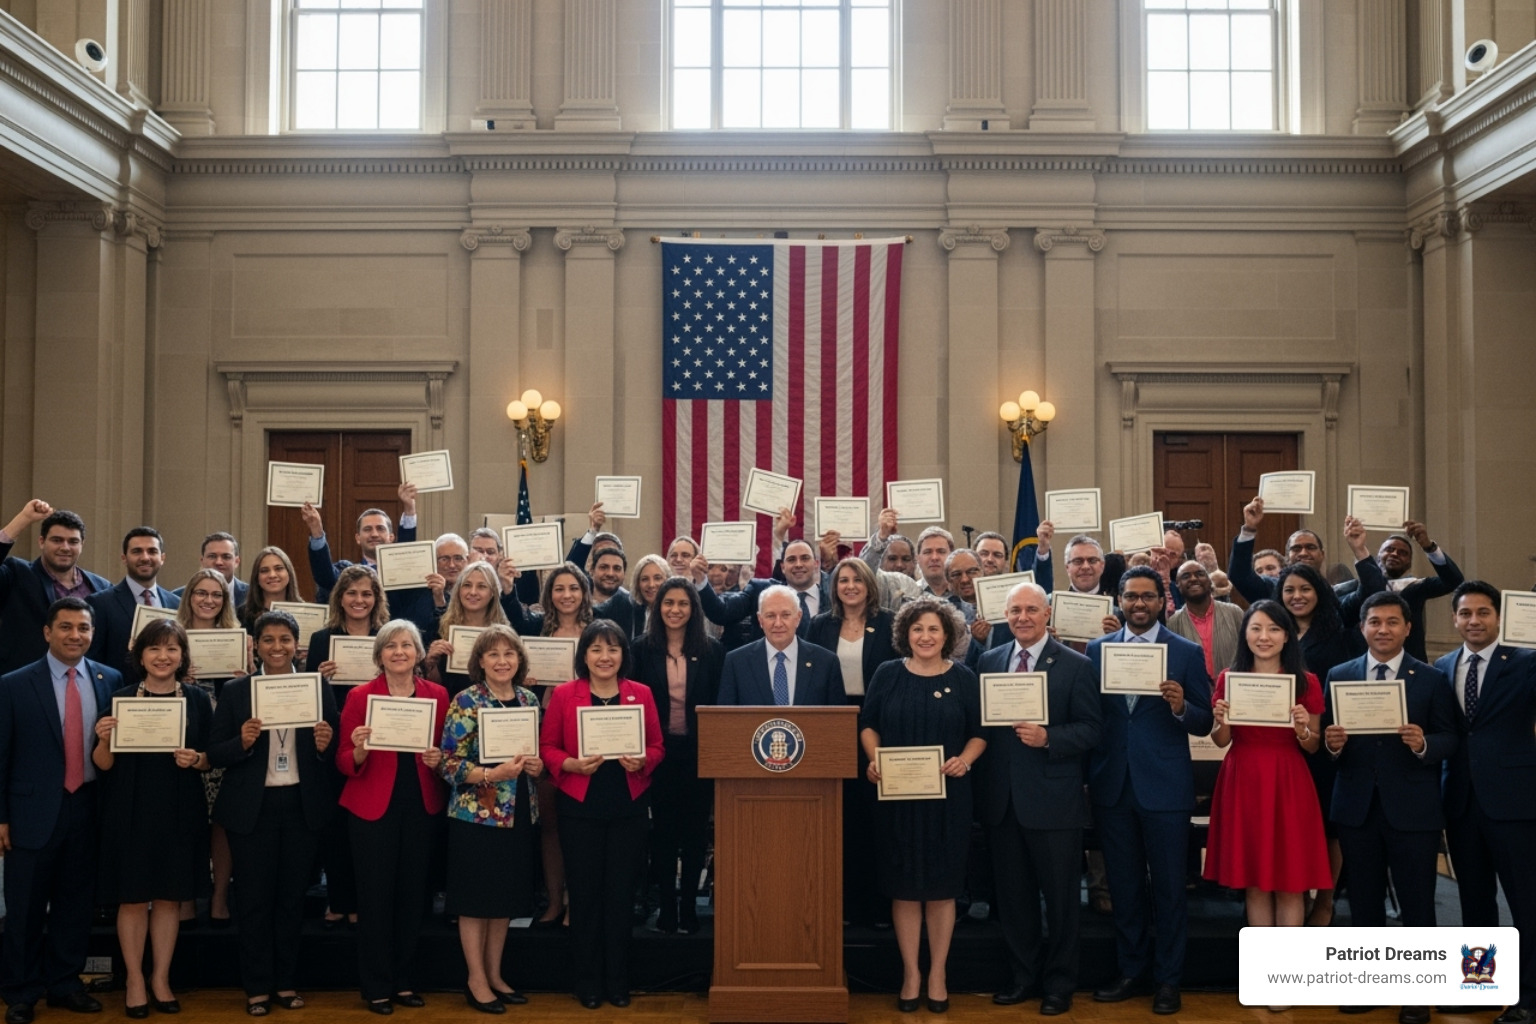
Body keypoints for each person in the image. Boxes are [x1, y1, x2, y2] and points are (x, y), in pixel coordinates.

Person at [1323, 592, 1456, 1024]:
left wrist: (1424, 744)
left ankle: (1416, 995)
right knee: (1364, 902)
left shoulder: (1430, 678)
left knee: (1418, 903)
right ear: (1362, 627)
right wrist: (1332, 745)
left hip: (1412, 809)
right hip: (1357, 807)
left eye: (1392, 622)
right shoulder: (1339, 674)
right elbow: (1328, 739)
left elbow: (1451, 737)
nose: (1383, 629)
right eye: (1374, 621)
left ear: (1407, 628)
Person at [1086, 567, 1213, 1016]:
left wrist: (1181, 706)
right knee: (1123, 888)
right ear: (1119, 600)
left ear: (1163, 601)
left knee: (1169, 890)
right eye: (1130, 596)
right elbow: (1093, 719)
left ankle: (1168, 980)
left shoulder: (1185, 652)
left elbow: (1205, 720)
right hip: (1113, 785)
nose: (1138, 604)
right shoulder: (1096, 650)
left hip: (1165, 788)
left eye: (1147, 597)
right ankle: (1130, 971)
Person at [975, 582, 1101, 1016]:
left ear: (1047, 614)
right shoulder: (988, 660)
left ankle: (1060, 984)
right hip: (1002, 801)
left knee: (1062, 901)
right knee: (1014, 899)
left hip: (1053, 801)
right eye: (1015, 611)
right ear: (1004, 616)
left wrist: (1049, 737)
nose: (1023, 617)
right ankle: (1023, 978)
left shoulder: (1076, 665)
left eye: (1031, 609)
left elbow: (1091, 729)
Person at [209, 609, 339, 1017]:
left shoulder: (317, 686)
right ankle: (257, 987)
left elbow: (334, 753)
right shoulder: (236, 691)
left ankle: (285, 981)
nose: (277, 647)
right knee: (254, 900)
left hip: (302, 805)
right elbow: (215, 753)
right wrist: (243, 742)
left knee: (290, 901)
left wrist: (323, 744)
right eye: (269, 639)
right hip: (254, 809)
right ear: (255, 645)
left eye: (285, 639)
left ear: (296, 646)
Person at [859, 598, 986, 1014]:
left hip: (948, 798)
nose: (925, 637)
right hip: (897, 799)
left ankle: (938, 974)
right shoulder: (887, 674)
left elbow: (979, 732)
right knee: (904, 888)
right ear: (905, 635)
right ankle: (911, 972)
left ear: (947, 634)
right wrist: (875, 759)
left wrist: (965, 760)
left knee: (942, 888)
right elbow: (868, 725)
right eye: (917, 630)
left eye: (933, 630)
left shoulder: (964, 677)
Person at [0, 597, 120, 1023]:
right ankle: (21, 990)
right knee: (26, 909)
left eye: (83, 628)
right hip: (30, 814)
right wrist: (1, 817)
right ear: (47, 632)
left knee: (75, 904)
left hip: (87, 807)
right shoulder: (13, 684)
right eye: (66, 628)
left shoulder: (111, 679)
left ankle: (65, 983)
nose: (76, 636)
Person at [539, 620, 664, 1009]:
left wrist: (643, 760)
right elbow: (547, 746)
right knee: (586, 897)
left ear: (624, 654)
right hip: (580, 809)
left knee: (621, 897)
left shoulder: (640, 694)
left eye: (612, 649)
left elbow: (658, 745)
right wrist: (571, 765)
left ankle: (618, 980)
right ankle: (587, 981)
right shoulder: (564, 695)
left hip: (627, 808)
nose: (604, 657)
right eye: (596, 649)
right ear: (584, 656)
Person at [92, 619, 213, 1018]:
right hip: (129, 810)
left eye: (172, 649)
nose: (163, 657)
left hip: (180, 809)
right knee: (132, 899)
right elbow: (103, 764)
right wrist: (105, 738)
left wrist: (196, 759)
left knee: (167, 898)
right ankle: (134, 979)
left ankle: (160, 978)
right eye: (155, 649)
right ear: (140, 656)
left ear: (182, 656)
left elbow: (210, 757)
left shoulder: (196, 700)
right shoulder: (120, 697)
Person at [335, 620, 449, 1015]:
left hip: (421, 806)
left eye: (407, 645)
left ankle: (403, 982)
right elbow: (343, 762)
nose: (399, 652)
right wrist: (360, 751)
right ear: (379, 654)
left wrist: (439, 762)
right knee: (375, 898)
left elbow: (446, 756)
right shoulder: (359, 697)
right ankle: (376, 986)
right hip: (371, 809)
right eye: (391, 646)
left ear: (419, 654)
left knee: (412, 898)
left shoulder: (438, 695)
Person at [1436, 581, 1536, 1024]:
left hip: (1514, 801)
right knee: (1475, 901)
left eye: (1482, 613)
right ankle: (1479, 986)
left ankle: (1530, 997)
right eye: (1465, 613)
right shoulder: (1441, 666)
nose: (1473, 621)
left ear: (1498, 618)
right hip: (1460, 800)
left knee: (1526, 902)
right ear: (1454, 619)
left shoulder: (1527, 662)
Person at [1201, 600, 1330, 932]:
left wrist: (1302, 726)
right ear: (1245, 634)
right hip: (1243, 777)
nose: (1264, 636)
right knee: (1254, 882)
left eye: (1273, 629)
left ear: (1287, 636)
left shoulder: (1306, 681)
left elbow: (1313, 745)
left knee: (1291, 883)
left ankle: (1286, 973)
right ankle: (1264, 970)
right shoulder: (1230, 678)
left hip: (1288, 780)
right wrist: (1220, 721)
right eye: (1256, 628)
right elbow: (1220, 741)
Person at [438, 626, 544, 1013]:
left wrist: (536, 765)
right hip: (476, 816)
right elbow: (448, 764)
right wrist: (490, 775)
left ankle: (496, 975)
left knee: (503, 900)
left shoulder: (528, 698)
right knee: (475, 900)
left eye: (509, 654)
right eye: (493, 654)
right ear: (480, 661)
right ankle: (476, 979)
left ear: (519, 660)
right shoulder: (466, 701)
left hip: (518, 813)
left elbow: (537, 756)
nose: (502, 661)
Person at [498, 561, 593, 928]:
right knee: (551, 823)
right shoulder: (535, 629)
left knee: (581, 823)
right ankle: (554, 902)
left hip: (585, 734)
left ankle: (577, 903)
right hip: (544, 730)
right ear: (548, 594)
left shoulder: (596, 633)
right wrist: (532, 682)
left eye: (573, 588)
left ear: (583, 592)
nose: (566, 595)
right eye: (559, 588)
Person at [806, 557, 898, 928]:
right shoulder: (819, 625)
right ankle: (843, 905)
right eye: (843, 580)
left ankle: (878, 907)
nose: (850, 586)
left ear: (869, 584)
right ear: (834, 586)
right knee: (840, 818)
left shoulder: (889, 622)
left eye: (857, 580)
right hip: (832, 725)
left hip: (879, 725)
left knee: (878, 817)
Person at [631, 577, 724, 934]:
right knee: (664, 835)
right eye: (668, 603)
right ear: (658, 608)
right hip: (658, 754)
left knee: (695, 835)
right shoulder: (640, 649)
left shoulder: (713, 651)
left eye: (683, 604)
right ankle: (667, 906)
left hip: (699, 754)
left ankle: (689, 907)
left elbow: (718, 704)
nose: (675, 610)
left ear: (693, 609)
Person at [1273, 561, 1363, 928]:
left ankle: (1325, 902)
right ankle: (1289, 896)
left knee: (1328, 825)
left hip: (1326, 742)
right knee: (1288, 824)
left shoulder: (1341, 634)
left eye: (1305, 589)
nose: (1296, 596)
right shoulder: (1272, 632)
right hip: (1278, 742)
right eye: (1289, 590)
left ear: (1320, 593)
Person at [305, 564, 391, 929]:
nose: (359, 600)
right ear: (340, 597)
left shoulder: (387, 637)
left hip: (374, 741)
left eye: (367, 593)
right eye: (352, 593)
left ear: (377, 599)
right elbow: (309, 696)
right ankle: (340, 898)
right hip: (334, 740)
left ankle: (361, 899)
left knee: (367, 828)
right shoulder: (323, 639)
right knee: (335, 825)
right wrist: (319, 678)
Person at [175, 567, 243, 925]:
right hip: (183, 738)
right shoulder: (172, 636)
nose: (209, 600)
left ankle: (219, 898)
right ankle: (185, 898)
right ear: (190, 596)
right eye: (202, 593)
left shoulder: (235, 638)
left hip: (222, 740)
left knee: (222, 823)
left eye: (216, 595)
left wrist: (243, 680)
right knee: (187, 823)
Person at [0, 502, 111, 675]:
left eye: (73, 541)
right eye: (57, 540)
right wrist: (23, 519)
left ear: (82, 544)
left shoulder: (101, 587)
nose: (65, 547)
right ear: (41, 541)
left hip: (84, 682)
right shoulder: (17, 573)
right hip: (25, 683)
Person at [1228, 499, 1385, 617]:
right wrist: (1249, 528)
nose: (1303, 553)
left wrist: (1359, 549)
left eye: (1310, 547)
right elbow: (1240, 576)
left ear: (1322, 555)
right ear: (1287, 557)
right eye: (1296, 548)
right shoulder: (1272, 589)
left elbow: (1374, 592)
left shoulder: (1338, 595)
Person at [1338, 523, 1463, 662]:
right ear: (1378, 556)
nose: (1395, 554)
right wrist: (1359, 548)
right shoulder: (1352, 589)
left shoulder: (1416, 587)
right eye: (1389, 549)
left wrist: (1428, 546)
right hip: (1364, 666)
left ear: (1409, 563)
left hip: (1410, 667)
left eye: (1403, 553)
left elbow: (1454, 581)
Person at [716, 586, 843, 706]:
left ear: (798, 617)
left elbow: (839, 721)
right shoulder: (736, 662)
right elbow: (725, 720)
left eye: (785, 615)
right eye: (770, 616)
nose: (778, 623)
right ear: (760, 620)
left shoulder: (826, 663)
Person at [86, 527, 181, 679]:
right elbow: (93, 660)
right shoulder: (100, 603)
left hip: (168, 695)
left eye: (152, 551)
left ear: (162, 558)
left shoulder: (176, 604)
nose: (145, 557)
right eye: (137, 551)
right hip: (120, 695)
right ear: (124, 558)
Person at [301, 483, 419, 604]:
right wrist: (317, 531)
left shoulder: (402, 573)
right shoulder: (346, 572)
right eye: (367, 529)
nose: (374, 534)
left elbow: (406, 550)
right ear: (358, 538)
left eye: (380, 529)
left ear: (391, 537)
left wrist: (409, 509)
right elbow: (325, 576)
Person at [425, 561, 510, 695]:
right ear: (459, 590)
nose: (473, 592)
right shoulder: (440, 626)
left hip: (491, 706)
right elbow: (434, 684)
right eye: (467, 585)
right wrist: (430, 662)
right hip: (451, 704)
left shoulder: (504, 633)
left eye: (481, 586)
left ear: (493, 592)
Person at [1167, 560, 1243, 681]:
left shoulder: (1234, 613)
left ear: (1209, 581)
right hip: (1194, 694)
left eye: (1200, 574)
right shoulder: (1173, 623)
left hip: (1233, 689)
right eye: (1186, 576)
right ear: (1178, 585)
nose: (1193, 579)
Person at [238, 547, 302, 635]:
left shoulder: (304, 611)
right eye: (264, 571)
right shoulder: (243, 614)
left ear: (289, 573)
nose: (272, 575)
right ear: (257, 577)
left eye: (278, 568)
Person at [173, 532, 249, 606]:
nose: (219, 562)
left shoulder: (253, 595)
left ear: (237, 562)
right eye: (212, 556)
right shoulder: (177, 597)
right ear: (202, 561)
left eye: (226, 557)